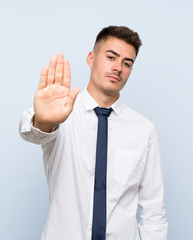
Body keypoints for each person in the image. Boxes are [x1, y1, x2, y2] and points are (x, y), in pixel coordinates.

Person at [19, 26, 168, 240]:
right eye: (111, 57)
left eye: (127, 63)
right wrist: (43, 121)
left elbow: (154, 210)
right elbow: (32, 132)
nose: (118, 68)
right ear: (91, 58)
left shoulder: (144, 130)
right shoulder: (62, 113)